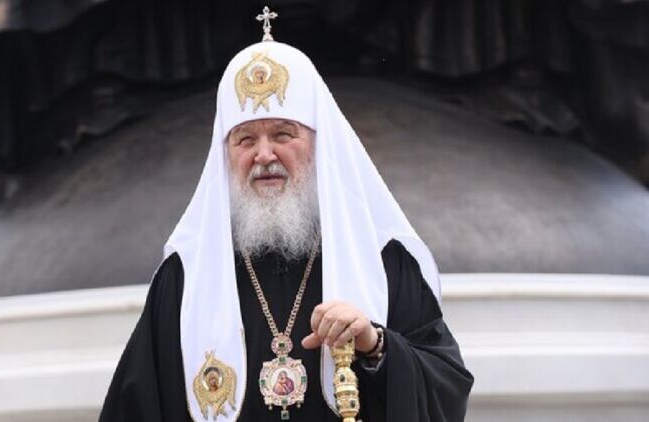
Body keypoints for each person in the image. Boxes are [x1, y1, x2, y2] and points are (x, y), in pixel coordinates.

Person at [99, 9, 473, 422]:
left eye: (282, 134)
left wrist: (376, 345)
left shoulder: (382, 260)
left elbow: (445, 387)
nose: (263, 155)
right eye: (245, 139)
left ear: (319, 145)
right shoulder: (185, 278)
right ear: (225, 154)